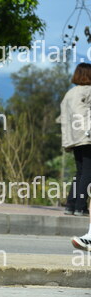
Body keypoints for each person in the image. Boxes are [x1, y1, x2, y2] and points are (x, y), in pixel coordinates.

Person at [59, 63, 91, 251]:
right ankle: (80, 207)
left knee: (80, 172)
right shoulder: (88, 91)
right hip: (88, 135)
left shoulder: (69, 93)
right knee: (88, 172)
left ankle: (71, 204)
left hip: (75, 137)